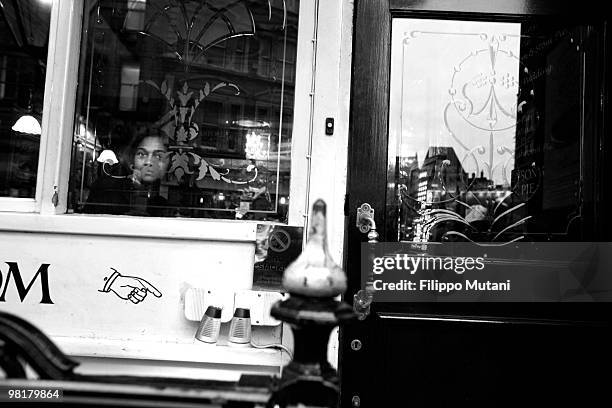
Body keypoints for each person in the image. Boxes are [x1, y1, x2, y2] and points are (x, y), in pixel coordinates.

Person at [83, 134, 172, 216]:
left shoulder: (164, 206)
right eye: (141, 154)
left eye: (158, 156)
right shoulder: (106, 190)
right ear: (131, 159)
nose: (149, 162)